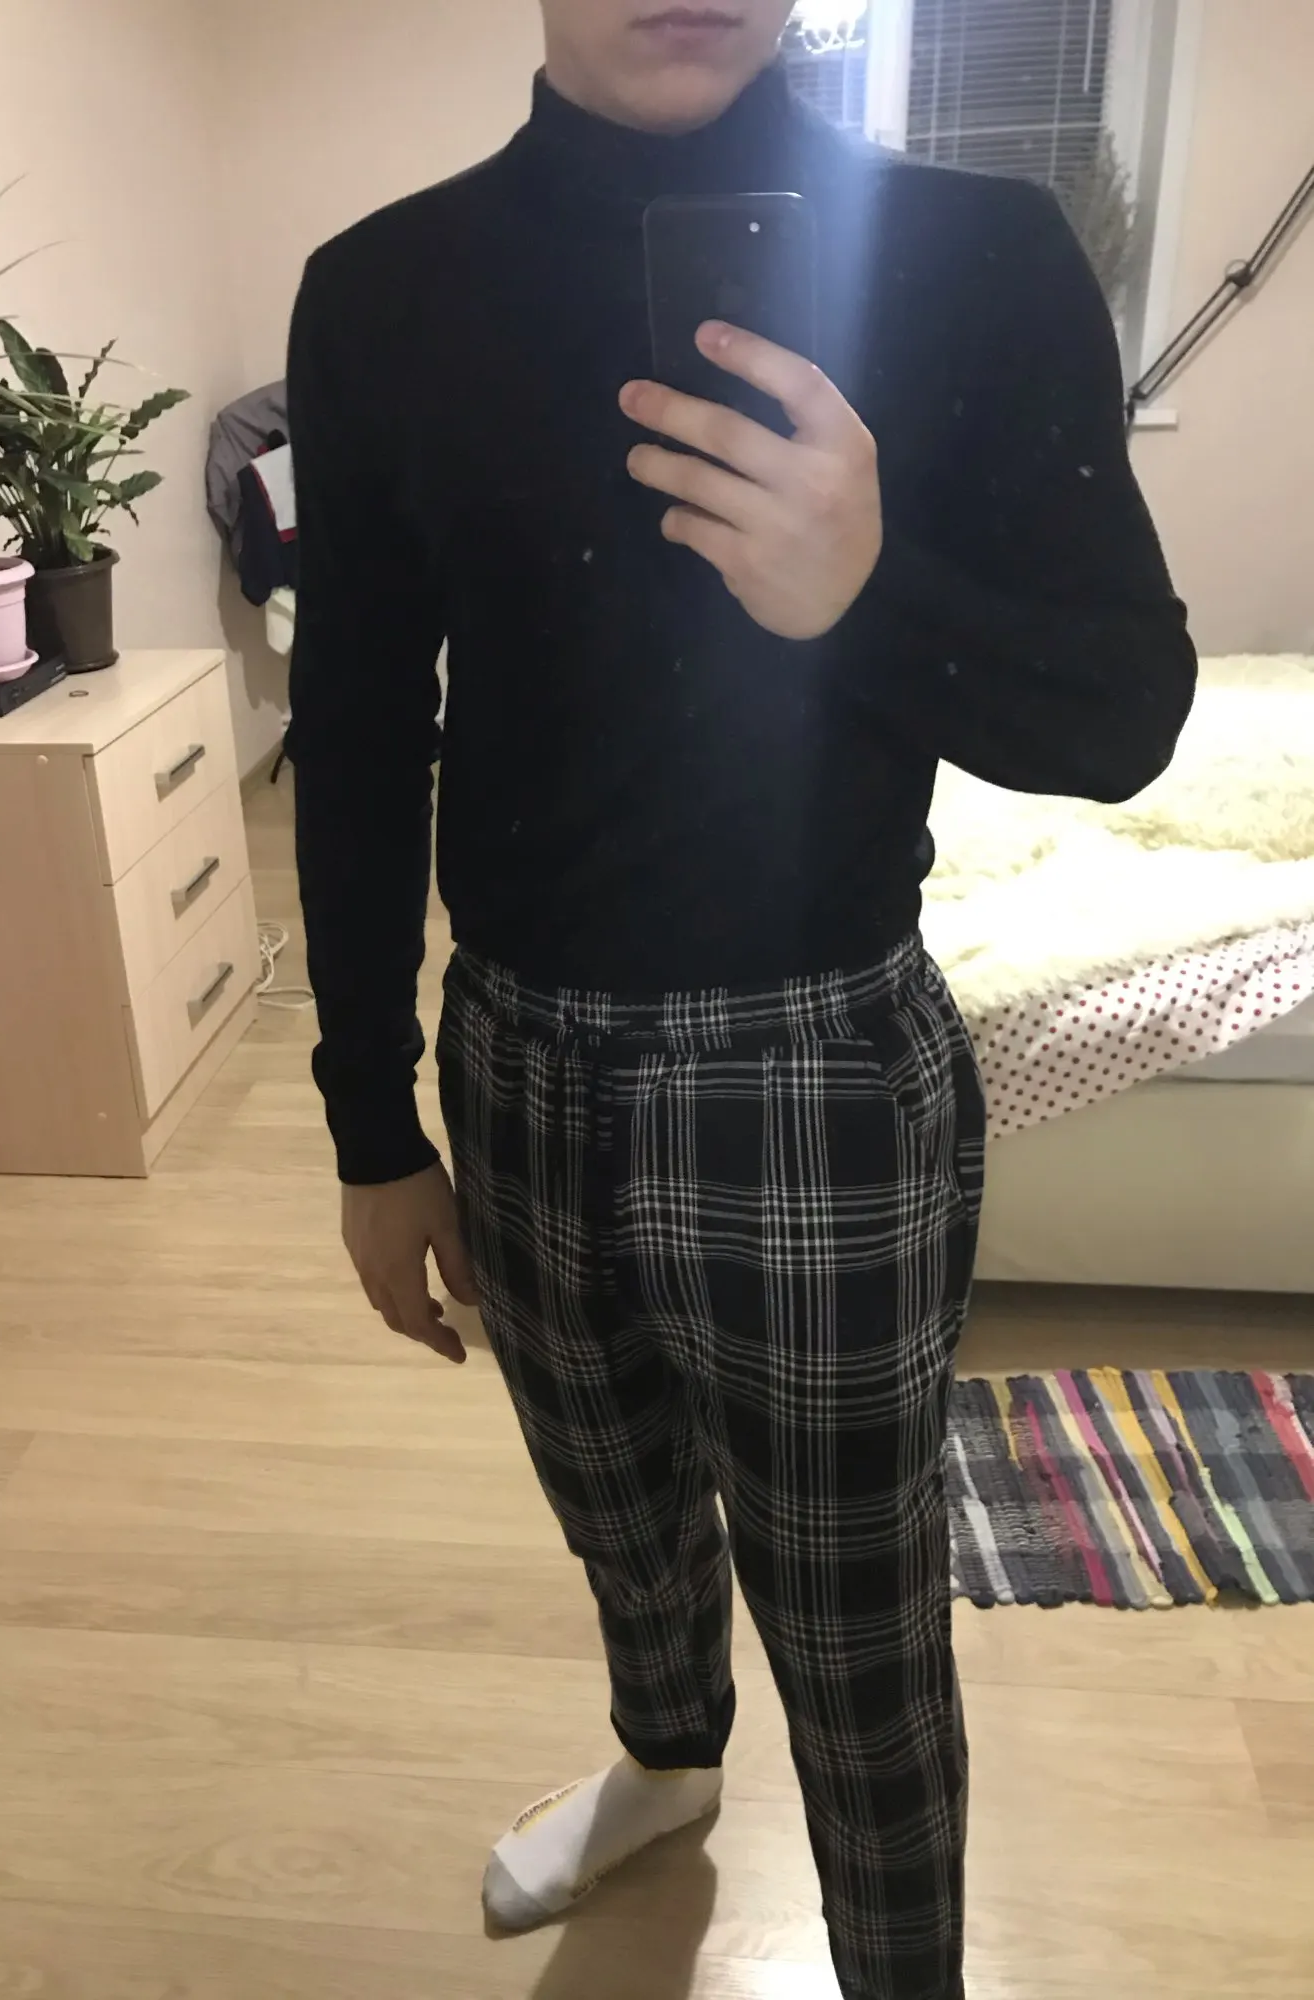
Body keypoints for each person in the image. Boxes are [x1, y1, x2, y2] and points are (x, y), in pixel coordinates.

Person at [285, 4, 1197, 1994]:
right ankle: (667, 1758)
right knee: (610, 1500)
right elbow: (352, 729)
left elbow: (1124, 717)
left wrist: (870, 591)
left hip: (823, 1063)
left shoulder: (977, 255)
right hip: (514, 1054)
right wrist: (370, 1123)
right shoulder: (382, 291)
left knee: (862, 1633)